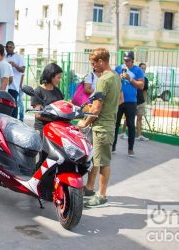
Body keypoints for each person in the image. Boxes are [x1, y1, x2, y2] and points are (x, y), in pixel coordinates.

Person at [77, 48, 120, 208]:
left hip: (102, 126)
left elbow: (96, 109)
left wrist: (84, 123)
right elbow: (117, 99)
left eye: (94, 63)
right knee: (97, 159)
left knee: (103, 162)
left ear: (102, 61)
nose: (93, 66)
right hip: (109, 123)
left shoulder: (103, 80)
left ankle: (101, 196)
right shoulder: (115, 76)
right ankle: (89, 188)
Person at [112, 51, 144, 156]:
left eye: (128, 61)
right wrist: (118, 79)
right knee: (115, 123)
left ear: (133, 60)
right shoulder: (118, 68)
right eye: (125, 60)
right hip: (118, 100)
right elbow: (112, 81)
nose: (126, 63)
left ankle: (130, 149)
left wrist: (130, 79)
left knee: (130, 124)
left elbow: (141, 86)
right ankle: (112, 147)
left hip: (131, 101)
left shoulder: (138, 70)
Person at [31, 63, 64, 133]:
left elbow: (62, 106)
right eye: (58, 77)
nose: (59, 80)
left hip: (57, 128)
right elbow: (38, 114)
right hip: (43, 129)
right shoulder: (37, 92)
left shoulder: (57, 90)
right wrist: (55, 119)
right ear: (51, 76)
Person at [5, 41, 25, 118]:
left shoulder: (19, 57)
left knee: (13, 105)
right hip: (5, 86)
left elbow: (23, 70)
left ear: (14, 47)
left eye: (10, 47)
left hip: (13, 86)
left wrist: (14, 65)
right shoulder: (5, 57)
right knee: (6, 105)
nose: (8, 48)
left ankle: (14, 121)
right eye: (7, 47)